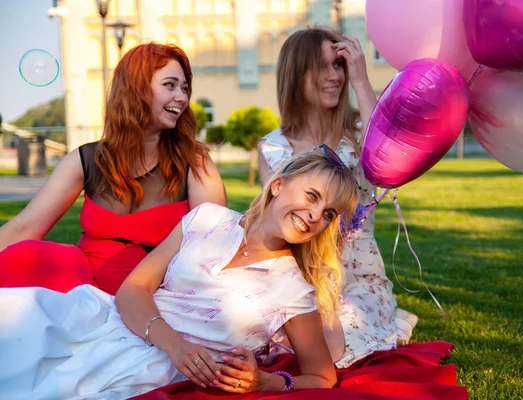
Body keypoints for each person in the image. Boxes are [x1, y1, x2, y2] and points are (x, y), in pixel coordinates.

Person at [0, 148, 359, 399]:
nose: (316, 215)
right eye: (312, 196)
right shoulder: (208, 219)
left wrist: (265, 382)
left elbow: (322, 376)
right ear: (279, 184)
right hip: (117, 323)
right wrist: (174, 344)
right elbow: (133, 289)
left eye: (329, 213)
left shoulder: (293, 288)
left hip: (153, 371)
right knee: (20, 328)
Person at [0, 43, 227, 295]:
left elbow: (214, 243)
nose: (182, 97)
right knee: (33, 257)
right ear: (136, 89)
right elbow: (25, 228)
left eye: (185, 88)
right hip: (83, 291)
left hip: (154, 297)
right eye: (170, 85)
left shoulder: (194, 162)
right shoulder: (86, 159)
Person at [258, 27, 418, 368]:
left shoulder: (362, 133)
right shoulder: (273, 148)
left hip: (358, 281)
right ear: (297, 74)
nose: (335, 77)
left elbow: (391, 152)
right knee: (271, 344)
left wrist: (361, 78)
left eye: (340, 66)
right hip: (297, 280)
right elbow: (271, 231)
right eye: (323, 67)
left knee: (335, 345)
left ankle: (383, 321)